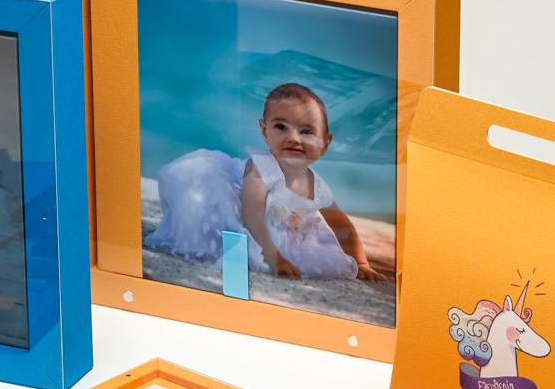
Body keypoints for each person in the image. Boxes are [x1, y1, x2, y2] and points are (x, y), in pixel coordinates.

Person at [146, 82, 384, 281]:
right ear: (264, 130)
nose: (293, 138)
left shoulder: (317, 185)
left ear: (325, 143)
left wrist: (361, 263)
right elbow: (252, 213)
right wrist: (273, 257)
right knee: (215, 221)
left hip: (283, 233)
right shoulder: (261, 167)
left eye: (306, 131)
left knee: (320, 259)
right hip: (245, 215)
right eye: (281, 127)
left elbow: (342, 225)